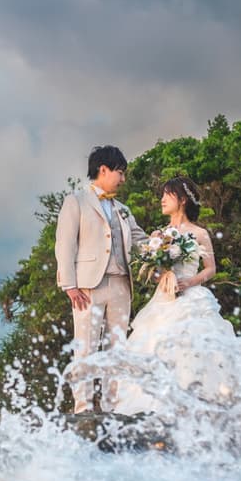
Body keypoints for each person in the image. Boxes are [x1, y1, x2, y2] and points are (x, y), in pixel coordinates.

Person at [112, 176, 238, 413]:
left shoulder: (199, 233)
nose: (161, 200)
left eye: (166, 195)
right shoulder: (158, 235)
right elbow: (153, 269)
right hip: (163, 300)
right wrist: (161, 276)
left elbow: (211, 268)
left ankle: (197, 405)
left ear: (181, 199)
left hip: (191, 297)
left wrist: (190, 281)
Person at [54, 145, 148, 411]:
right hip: (87, 287)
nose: (123, 179)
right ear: (103, 169)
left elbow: (140, 239)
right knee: (86, 347)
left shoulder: (123, 208)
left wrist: (166, 245)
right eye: (120, 172)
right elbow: (65, 244)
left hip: (121, 284)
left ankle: (112, 407)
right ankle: (82, 407)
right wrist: (70, 286)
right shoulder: (76, 201)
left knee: (117, 349)